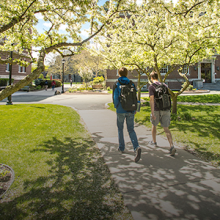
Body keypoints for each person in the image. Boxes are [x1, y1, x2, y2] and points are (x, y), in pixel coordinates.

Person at [113, 67, 141, 162]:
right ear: (127, 74)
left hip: (121, 110)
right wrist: (135, 108)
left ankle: (121, 147)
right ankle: (136, 147)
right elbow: (135, 97)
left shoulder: (117, 84)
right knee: (131, 129)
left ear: (119, 74)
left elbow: (115, 98)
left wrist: (116, 106)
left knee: (120, 129)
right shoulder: (131, 83)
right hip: (130, 110)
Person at [148, 71, 176, 156]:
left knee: (154, 125)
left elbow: (152, 100)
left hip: (156, 109)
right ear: (158, 77)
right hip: (166, 109)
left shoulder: (151, 87)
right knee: (166, 128)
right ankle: (171, 146)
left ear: (151, 78)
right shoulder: (165, 85)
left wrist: (152, 112)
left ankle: (154, 142)